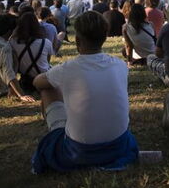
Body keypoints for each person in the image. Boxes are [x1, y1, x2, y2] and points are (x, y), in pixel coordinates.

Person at [32, 11, 139, 173]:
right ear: (104, 37)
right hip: (118, 145)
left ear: (77, 40)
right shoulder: (120, 65)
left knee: (48, 89)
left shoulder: (68, 69)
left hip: (79, 151)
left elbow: (38, 83)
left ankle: (57, 132)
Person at [12, 11, 55, 92]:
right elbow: (47, 61)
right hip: (43, 78)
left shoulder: (13, 43)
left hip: (25, 78)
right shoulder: (45, 42)